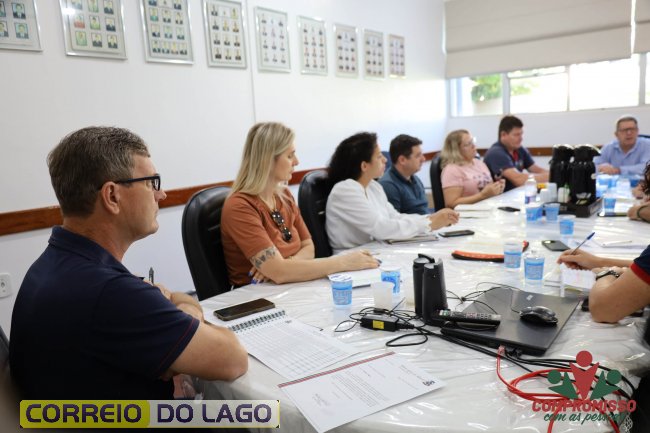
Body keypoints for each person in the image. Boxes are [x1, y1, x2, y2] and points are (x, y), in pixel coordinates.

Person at [9, 127, 247, 399]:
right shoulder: (106, 291)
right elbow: (232, 358)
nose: (161, 195)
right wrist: (187, 313)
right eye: (151, 183)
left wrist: (174, 309)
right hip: (138, 418)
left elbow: (164, 298)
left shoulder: (58, 264)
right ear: (112, 196)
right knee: (264, 414)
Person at [221, 122, 379, 287]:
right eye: (290, 156)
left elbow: (309, 247)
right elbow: (280, 273)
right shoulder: (240, 206)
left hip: (289, 285)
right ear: (267, 160)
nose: (296, 162)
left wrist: (286, 266)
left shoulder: (284, 195)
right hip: (254, 294)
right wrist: (344, 262)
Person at [326, 132, 459, 251]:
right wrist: (428, 223)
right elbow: (380, 227)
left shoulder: (373, 186)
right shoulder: (345, 190)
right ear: (364, 166)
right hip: (350, 258)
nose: (385, 160)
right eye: (379, 156)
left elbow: (395, 217)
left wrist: (431, 218)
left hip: (373, 250)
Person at [440, 129, 505, 208]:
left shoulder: (479, 163)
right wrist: (482, 195)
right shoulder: (451, 170)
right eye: (468, 144)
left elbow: (488, 189)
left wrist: (497, 188)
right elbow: (451, 203)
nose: (473, 146)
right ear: (456, 150)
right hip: (466, 213)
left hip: (487, 208)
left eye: (472, 141)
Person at [483, 115, 549, 191]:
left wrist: (555, 174)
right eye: (516, 135)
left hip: (514, 194)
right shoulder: (496, 153)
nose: (521, 138)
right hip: (500, 197)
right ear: (503, 135)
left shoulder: (519, 149)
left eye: (521, 134)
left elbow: (538, 170)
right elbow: (518, 179)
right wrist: (551, 176)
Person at [378, 134, 428, 214]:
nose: (423, 159)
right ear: (402, 160)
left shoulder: (414, 178)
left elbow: (424, 209)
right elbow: (394, 220)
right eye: (418, 156)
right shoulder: (388, 186)